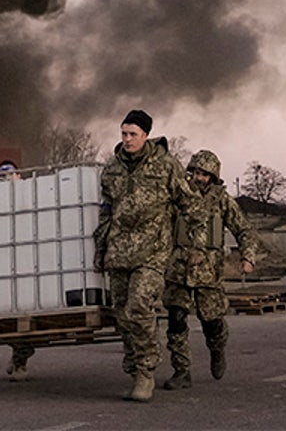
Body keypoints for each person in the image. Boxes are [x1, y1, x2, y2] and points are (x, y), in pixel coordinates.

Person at [95, 108, 195, 402]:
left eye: (133, 134)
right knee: (124, 317)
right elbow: (106, 214)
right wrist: (100, 252)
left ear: (146, 135)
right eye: (123, 134)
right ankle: (135, 368)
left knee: (139, 307)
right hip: (118, 253)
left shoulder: (166, 166)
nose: (127, 139)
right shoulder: (111, 170)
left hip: (152, 253)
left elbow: (189, 205)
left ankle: (145, 372)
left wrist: (196, 246)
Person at [162, 149, 259, 390]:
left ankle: (217, 350)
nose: (199, 178)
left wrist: (247, 257)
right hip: (178, 268)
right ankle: (181, 370)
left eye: (205, 174)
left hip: (209, 272)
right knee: (176, 320)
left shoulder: (222, 202)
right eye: (195, 172)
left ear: (213, 177)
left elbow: (244, 230)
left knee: (212, 321)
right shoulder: (179, 196)